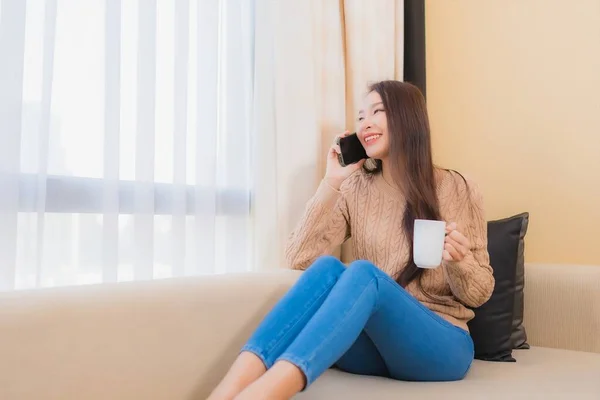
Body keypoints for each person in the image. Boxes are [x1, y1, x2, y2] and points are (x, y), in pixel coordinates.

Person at [208, 80, 495, 400]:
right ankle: (224, 393)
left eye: (377, 111)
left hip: (439, 347)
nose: (365, 123)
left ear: (407, 118)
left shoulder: (458, 188)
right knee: (327, 269)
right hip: (372, 348)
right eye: (360, 117)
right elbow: (298, 258)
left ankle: (262, 395)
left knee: (362, 273)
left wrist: (460, 262)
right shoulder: (356, 188)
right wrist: (331, 182)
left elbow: (479, 293)